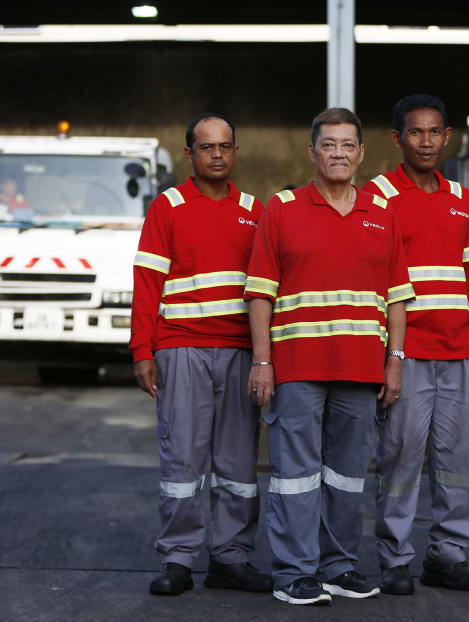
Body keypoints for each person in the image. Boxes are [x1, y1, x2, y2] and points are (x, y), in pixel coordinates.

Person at [245, 107, 414, 605]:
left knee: (346, 478)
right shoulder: (282, 208)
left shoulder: (383, 215)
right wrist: (262, 361)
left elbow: (398, 296)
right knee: (295, 477)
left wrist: (395, 359)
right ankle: (294, 572)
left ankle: (338, 567)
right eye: (328, 144)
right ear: (312, 152)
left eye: (347, 145)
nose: (338, 153)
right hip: (296, 370)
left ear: (362, 153)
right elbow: (260, 292)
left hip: (361, 371)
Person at [130, 112, 272, 596]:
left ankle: (230, 558)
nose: (217, 154)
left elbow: (268, 287)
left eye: (225, 146)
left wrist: (264, 355)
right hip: (180, 348)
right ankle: (178, 559)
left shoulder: (256, 211)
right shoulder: (167, 206)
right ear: (189, 154)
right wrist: (142, 350)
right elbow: (147, 283)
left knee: (237, 464)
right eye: (206, 147)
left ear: (236, 152)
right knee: (183, 462)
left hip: (238, 352)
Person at [363, 94, 469, 594]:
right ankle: (395, 559)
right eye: (415, 132)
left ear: (448, 136)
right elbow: (371, 277)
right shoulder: (377, 197)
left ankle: (448, 555)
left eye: (434, 132)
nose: (425, 141)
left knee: (459, 462)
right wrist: (384, 351)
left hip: (459, 352)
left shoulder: (461, 198)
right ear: (397, 139)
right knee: (400, 459)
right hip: (407, 352)